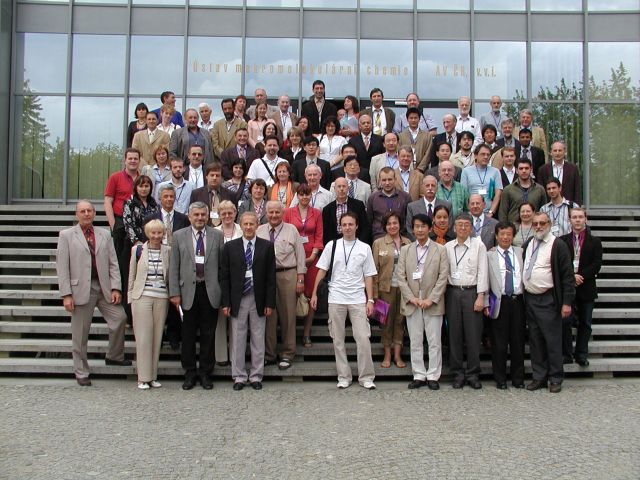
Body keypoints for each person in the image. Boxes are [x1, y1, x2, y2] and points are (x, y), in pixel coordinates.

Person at [56, 201, 130, 386]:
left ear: (95, 213)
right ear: (76, 214)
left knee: (120, 318)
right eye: (83, 211)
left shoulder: (104, 234)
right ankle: (81, 371)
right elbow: (62, 267)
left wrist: (115, 288)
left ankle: (114, 355)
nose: (86, 214)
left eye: (89, 210)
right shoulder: (66, 236)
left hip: (103, 287)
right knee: (80, 333)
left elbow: (113, 262)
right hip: (80, 289)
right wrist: (66, 294)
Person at [311, 212, 378, 390]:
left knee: (363, 338)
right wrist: (315, 294)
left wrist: (370, 299)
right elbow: (321, 271)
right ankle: (344, 376)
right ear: (340, 227)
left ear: (357, 226)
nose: (347, 227)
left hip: (357, 298)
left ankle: (366, 377)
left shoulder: (365, 248)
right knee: (337, 339)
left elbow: (369, 276)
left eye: (351, 224)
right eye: (344, 224)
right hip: (335, 298)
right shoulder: (332, 245)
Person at [169, 202, 224, 391]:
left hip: (210, 291)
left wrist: (222, 292)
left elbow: (221, 266)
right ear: (190, 216)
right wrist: (174, 293)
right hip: (186, 292)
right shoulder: (178, 236)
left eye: (203, 215)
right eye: (196, 215)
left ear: (208, 216)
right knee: (188, 334)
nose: (200, 218)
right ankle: (190, 373)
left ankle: (206, 373)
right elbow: (174, 266)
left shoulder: (217, 235)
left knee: (209, 334)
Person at [220, 211, 276, 391]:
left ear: (257, 225)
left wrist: (269, 303)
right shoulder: (230, 247)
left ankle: (256, 375)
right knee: (237, 337)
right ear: (241, 225)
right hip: (238, 298)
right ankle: (239, 376)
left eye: (252, 224)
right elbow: (225, 277)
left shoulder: (267, 246)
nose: (249, 227)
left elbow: (270, 277)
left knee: (258, 337)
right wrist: (226, 302)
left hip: (258, 297)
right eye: (245, 224)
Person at [523, 212, 575, 393]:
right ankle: (539, 377)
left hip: (548, 299)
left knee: (552, 341)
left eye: (542, 223)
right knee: (535, 341)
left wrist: (567, 302)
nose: (538, 226)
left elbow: (568, 277)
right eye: (535, 223)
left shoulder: (558, 245)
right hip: (530, 299)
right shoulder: (530, 243)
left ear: (549, 224)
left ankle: (555, 378)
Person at [397, 213, 449, 390]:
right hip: (412, 301)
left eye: (423, 226)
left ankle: (433, 374)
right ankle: (419, 374)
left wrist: (431, 299)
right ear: (413, 228)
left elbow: (443, 277)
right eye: (416, 226)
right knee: (415, 340)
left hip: (432, 301)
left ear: (430, 228)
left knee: (434, 341)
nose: (419, 229)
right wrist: (410, 297)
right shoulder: (406, 250)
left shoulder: (440, 249)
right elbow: (400, 277)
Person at [258, 201, 306, 370]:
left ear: (282, 213)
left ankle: (287, 353)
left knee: (288, 316)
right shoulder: (260, 230)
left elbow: (300, 255)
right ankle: (269, 354)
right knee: (268, 316)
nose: (274, 215)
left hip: (287, 274)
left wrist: (300, 279)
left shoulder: (291, 229)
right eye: (270, 212)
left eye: (277, 212)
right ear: (266, 213)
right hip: (266, 278)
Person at [142, 184, 190, 350]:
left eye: (171, 196)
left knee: (175, 297)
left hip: (177, 262)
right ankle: (159, 335)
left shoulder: (183, 218)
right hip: (156, 262)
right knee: (159, 298)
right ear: (160, 198)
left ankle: (174, 335)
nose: (169, 199)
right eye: (166, 196)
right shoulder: (151, 218)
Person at [445, 212, 489, 390]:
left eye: (466, 225)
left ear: (471, 228)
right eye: (459, 225)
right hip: (453, 292)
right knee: (454, 335)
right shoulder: (447, 247)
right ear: (454, 227)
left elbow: (483, 271)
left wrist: (481, 296)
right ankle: (457, 373)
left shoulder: (478, 245)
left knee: (473, 336)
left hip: (472, 293)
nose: (463, 228)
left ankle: (473, 373)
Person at [127, 220, 170, 390]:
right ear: (147, 234)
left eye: (159, 233)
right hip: (142, 296)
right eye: (153, 233)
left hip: (162, 297)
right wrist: (131, 297)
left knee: (156, 337)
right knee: (144, 338)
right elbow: (132, 275)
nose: (156, 236)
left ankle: (152, 376)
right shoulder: (137, 250)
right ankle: (142, 377)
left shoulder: (168, 251)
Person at [484, 221, 526, 389]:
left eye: (509, 234)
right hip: (499, 301)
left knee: (518, 342)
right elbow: (485, 279)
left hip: (518, 301)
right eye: (502, 234)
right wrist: (486, 301)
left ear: (513, 235)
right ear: (496, 236)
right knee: (499, 343)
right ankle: (500, 378)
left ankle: (518, 379)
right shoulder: (489, 255)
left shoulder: (521, 252)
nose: (505, 237)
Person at [559, 207, 602, 367]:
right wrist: (572, 276)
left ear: (586, 219)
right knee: (565, 321)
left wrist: (580, 276)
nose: (577, 220)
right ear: (569, 220)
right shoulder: (562, 241)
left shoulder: (595, 242)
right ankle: (566, 353)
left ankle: (582, 354)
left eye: (580, 217)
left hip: (587, 287)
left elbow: (597, 264)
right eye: (574, 217)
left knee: (585, 323)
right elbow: (560, 263)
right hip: (568, 288)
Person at [283, 184, 323, 348]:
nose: (305, 197)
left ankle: (306, 333)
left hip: (311, 259)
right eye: (301, 194)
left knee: (310, 294)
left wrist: (313, 255)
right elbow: (284, 234)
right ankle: (291, 334)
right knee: (292, 295)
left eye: (307, 195)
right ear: (297, 196)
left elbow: (319, 236)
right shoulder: (288, 212)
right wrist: (296, 258)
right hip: (292, 258)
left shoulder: (317, 213)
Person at [104, 148, 140, 319]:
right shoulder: (115, 177)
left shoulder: (142, 179)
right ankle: (119, 300)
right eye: (130, 158)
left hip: (137, 226)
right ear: (125, 160)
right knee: (121, 265)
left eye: (135, 158)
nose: (133, 161)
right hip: (120, 224)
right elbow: (108, 201)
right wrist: (113, 225)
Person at [372, 212, 411, 369]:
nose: (392, 226)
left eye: (395, 223)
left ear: (400, 224)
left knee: (400, 321)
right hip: (384, 289)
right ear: (385, 226)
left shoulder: (408, 243)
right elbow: (373, 269)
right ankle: (387, 355)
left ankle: (397, 355)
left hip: (404, 289)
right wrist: (374, 294)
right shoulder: (378, 243)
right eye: (389, 224)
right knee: (386, 322)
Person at [214, 200, 243, 367]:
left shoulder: (242, 229)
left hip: (239, 279)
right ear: (219, 215)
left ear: (235, 213)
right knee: (220, 320)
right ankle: (221, 356)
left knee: (236, 321)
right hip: (219, 279)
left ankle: (235, 356)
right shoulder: (214, 231)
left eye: (230, 212)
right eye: (223, 213)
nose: (227, 216)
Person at [498, 158, 547, 224]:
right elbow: (503, 213)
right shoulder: (508, 190)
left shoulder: (540, 189)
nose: (524, 171)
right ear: (516, 170)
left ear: (531, 169)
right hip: (514, 228)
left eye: (526, 168)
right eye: (521, 168)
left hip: (534, 228)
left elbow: (544, 211)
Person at [367, 167, 411, 240]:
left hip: (401, 238)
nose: (387, 183)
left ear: (395, 179)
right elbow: (369, 221)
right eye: (384, 180)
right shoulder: (373, 198)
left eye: (390, 179)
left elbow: (408, 220)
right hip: (379, 238)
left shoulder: (405, 197)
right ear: (380, 181)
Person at [322, 177, 369, 245]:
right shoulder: (327, 209)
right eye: (339, 186)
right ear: (334, 189)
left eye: (344, 186)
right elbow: (326, 233)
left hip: (355, 242)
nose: (341, 189)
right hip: (335, 244)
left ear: (348, 188)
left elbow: (364, 228)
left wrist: (359, 244)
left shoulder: (358, 205)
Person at [460, 143, 503, 216]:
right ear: (475, 156)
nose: (486, 157)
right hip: (471, 213)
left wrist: (491, 212)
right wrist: (469, 212)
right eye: (483, 154)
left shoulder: (495, 171)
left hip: (489, 214)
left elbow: (498, 194)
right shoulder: (466, 171)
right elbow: (464, 194)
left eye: (488, 155)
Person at [188, 163, 235, 227]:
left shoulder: (230, 194)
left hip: (224, 230)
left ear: (221, 177)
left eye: (217, 175)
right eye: (212, 175)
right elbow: (192, 214)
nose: (214, 178)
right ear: (206, 176)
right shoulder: (196, 194)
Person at [405, 175, 452, 239]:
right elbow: (409, 229)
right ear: (422, 188)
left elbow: (449, 226)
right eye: (427, 186)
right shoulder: (412, 207)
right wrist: (420, 243)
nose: (430, 188)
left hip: (441, 243)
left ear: (437, 188)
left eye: (433, 185)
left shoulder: (447, 205)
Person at [537, 141, 582, 205]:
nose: (557, 153)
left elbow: (577, 190)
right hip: (549, 207)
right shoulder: (543, 170)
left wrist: (577, 207)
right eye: (555, 151)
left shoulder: (573, 168)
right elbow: (541, 191)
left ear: (565, 152)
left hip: (568, 206)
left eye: (560, 150)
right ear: (551, 153)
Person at [123, 175, 159, 248]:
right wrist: (136, 241)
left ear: (150, 188)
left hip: (151, 241)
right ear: (136, 188)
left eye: (146, 186)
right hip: (133, 243)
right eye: (141, 186)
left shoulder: (154, 204)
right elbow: (128, 224)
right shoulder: (130, 203)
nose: (144, 189)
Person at [212, 98, 248, 162]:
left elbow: (243, 143)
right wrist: (225, 156)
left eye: (229, 108)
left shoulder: (242, 124)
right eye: (225, 109)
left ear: (234, 108)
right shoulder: (217, 125)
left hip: (236, 162)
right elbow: (215, 144)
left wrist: (232, 157)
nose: (227, 111)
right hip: (220, 161)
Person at [398, 107, 434, 172]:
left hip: (423, 171)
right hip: (405, 170)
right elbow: (399, 153)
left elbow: (428, 154)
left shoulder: (427, 136)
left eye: (415, 118)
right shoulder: (401, 136)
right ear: (407, 119)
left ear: (419, 119)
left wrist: (420, 169)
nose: (413, 120)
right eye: (411, 118)